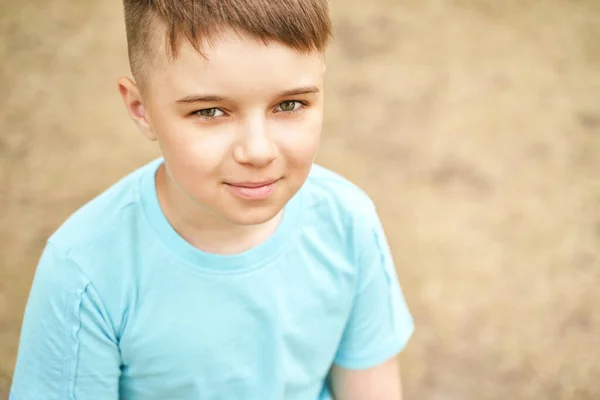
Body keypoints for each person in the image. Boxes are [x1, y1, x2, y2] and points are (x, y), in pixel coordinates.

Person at [10, 0, 414, 399]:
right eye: (210, 112)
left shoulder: (348, 223)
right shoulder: (84, 272)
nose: (257, 151)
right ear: (141, 108)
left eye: (289, 105)